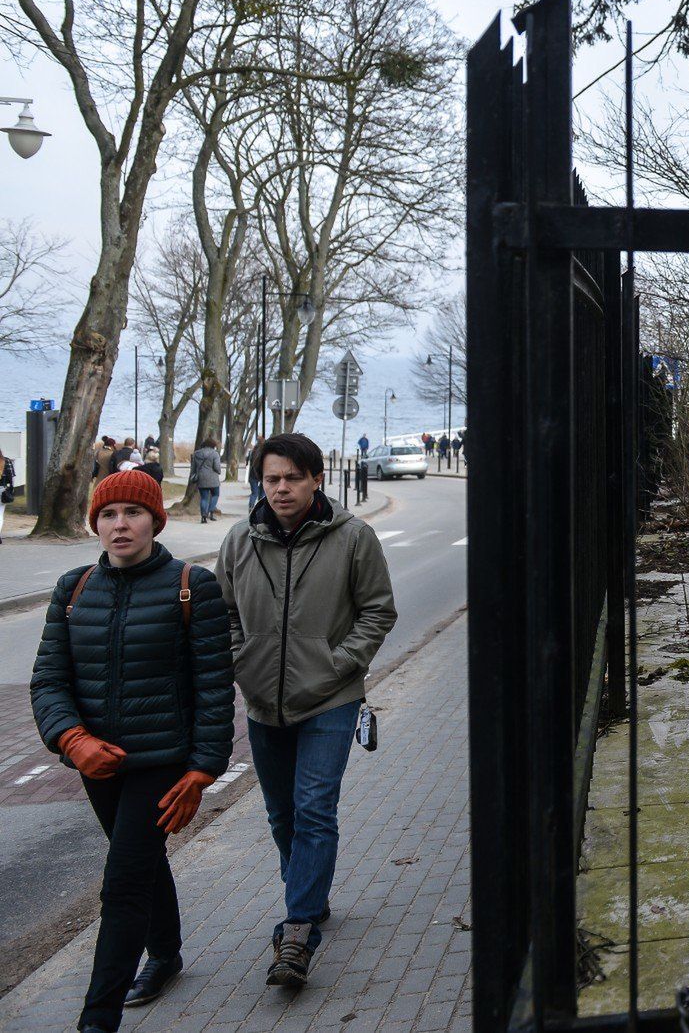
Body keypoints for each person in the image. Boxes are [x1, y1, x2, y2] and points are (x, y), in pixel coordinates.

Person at [30, 469, 232, 1032]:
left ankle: (98, 1019)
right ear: (95, 524)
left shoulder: (193, 584)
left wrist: (202, 770)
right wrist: (73, 741)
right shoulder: (73, 589)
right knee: (140, 861)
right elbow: (48, 681)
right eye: (108, 515)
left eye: (133, 513)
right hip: (99, 764)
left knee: (122, 883)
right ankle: (165, 953)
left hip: (162, 763)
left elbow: (214, 688)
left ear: (154, 521)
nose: (121, 525)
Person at [217, 433, 396, 989]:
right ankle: (310, 898)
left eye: (293, 477)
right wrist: (241, 662)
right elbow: (221, 614)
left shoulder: (353, 538)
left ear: (317, 479)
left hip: (331, 699)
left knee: (314, 807)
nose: (281, 488)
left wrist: (339, 664)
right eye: (272, 478)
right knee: (281, 815)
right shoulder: (240, 540)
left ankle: (296, 931)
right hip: (264, 703)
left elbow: (377, 611)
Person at [190, 438, 223, 524]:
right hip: (213, 479)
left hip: (201, 478)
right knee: (215, 494)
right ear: (213, 445)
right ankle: (211, 510)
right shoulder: (215, 454)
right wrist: (219, 471)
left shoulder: (197, 453)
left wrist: (193, 476)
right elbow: (217, 467)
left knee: (204, 498)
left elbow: (193, 467)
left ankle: (203, 516)